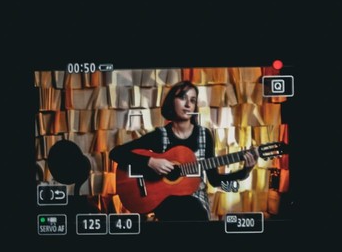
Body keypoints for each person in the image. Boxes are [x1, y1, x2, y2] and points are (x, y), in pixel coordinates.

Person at [109, 80, 254, 221]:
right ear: (172, 101)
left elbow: (214, 180)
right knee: (177, 210)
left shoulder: (204, 135)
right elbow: (116, 153)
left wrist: (244, 172)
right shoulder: (160, 136)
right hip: (165, 199)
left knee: (194, 211)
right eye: (182, 98)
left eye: (192, 100)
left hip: (195, 198)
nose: (187, 104)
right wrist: (150, 161)